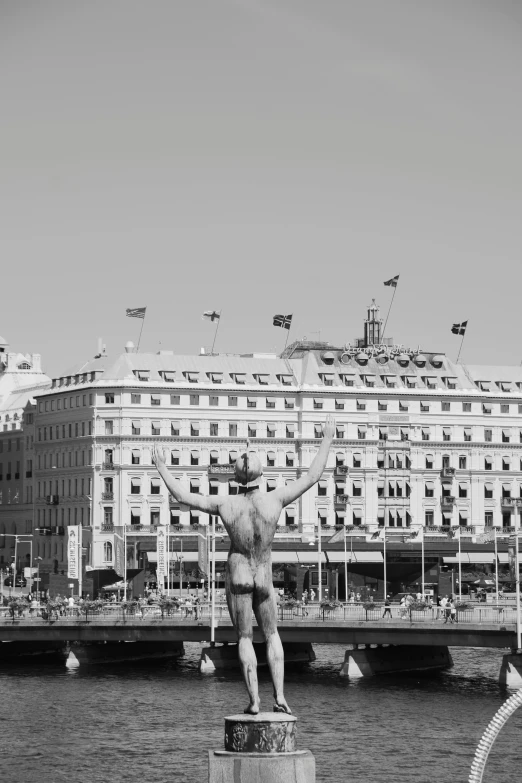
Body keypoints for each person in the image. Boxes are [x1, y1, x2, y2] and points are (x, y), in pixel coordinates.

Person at [153, 414, 335, 715]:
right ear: (262, 475)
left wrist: (162, 468)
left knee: (245, 638)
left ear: (236, 478)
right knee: (272, 635)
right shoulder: (276, 500)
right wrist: (327, 439)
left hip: (237, 572)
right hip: (263, 572)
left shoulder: (226, 504)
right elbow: (312, 476)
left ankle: (254, 701)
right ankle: (279, 697)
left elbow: (182, 496)